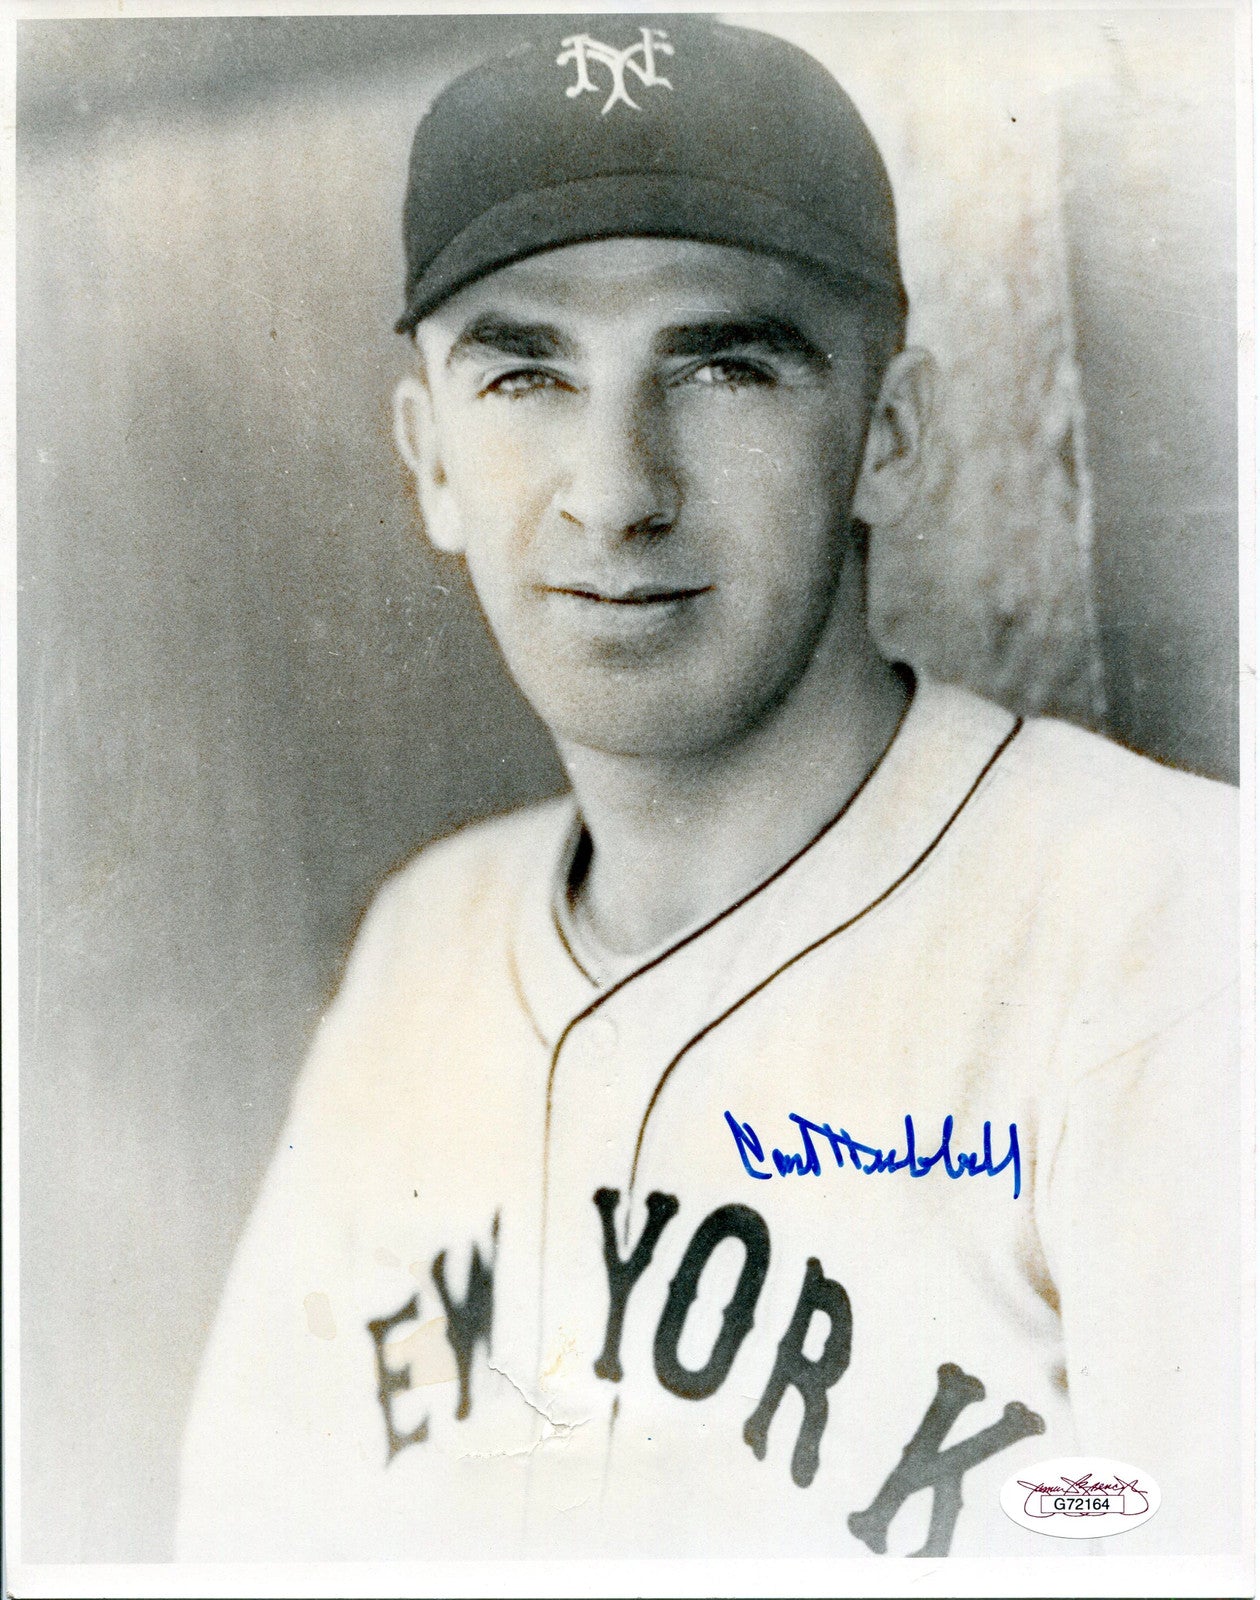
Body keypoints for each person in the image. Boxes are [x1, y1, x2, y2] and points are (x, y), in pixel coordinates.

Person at [177, 17, 1240, 1563]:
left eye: (726, 367)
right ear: (430, 461)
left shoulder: (1169, 935)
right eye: (525, 374)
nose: (616, 492)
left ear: (889, 436)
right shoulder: (420, 949)